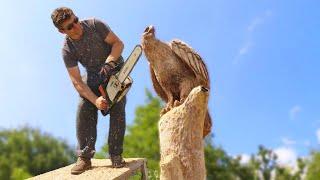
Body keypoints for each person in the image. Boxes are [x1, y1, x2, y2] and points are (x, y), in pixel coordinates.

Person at [51, 7, 126, 174]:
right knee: (84, 105)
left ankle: (115, 154)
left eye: (75, 20)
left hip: (114, 69)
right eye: (70, 26)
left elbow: (118, 43)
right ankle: (84, 157)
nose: (76, 26)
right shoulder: (67, 50)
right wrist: (95, 100)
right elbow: (77, 81)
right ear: (62, 31)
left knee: (118, 105)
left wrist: (110, 62)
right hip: (93, 76)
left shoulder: (94, 24)